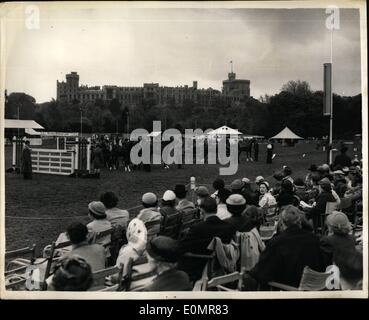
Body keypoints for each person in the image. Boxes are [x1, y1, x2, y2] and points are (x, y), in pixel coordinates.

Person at [248, 205, 327, 288]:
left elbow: (261, 272)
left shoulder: (277, 242)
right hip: (313, 288)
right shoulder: (314, 239)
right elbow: (321, 265)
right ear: (300, 221)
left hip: (288, 289)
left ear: (282, 223)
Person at [178, 197, 237, 281]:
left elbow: (182, 247)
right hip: (223, 267)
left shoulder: (197, 228)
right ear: (216, 211)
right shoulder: (229, 227)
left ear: (202, 211)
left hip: (200, 268)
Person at [114, 218, 156, 291]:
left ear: (130, 231)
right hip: (148, 284)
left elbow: (119, 274)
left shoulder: (126, 251)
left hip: (130, 287)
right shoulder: (150, 247)